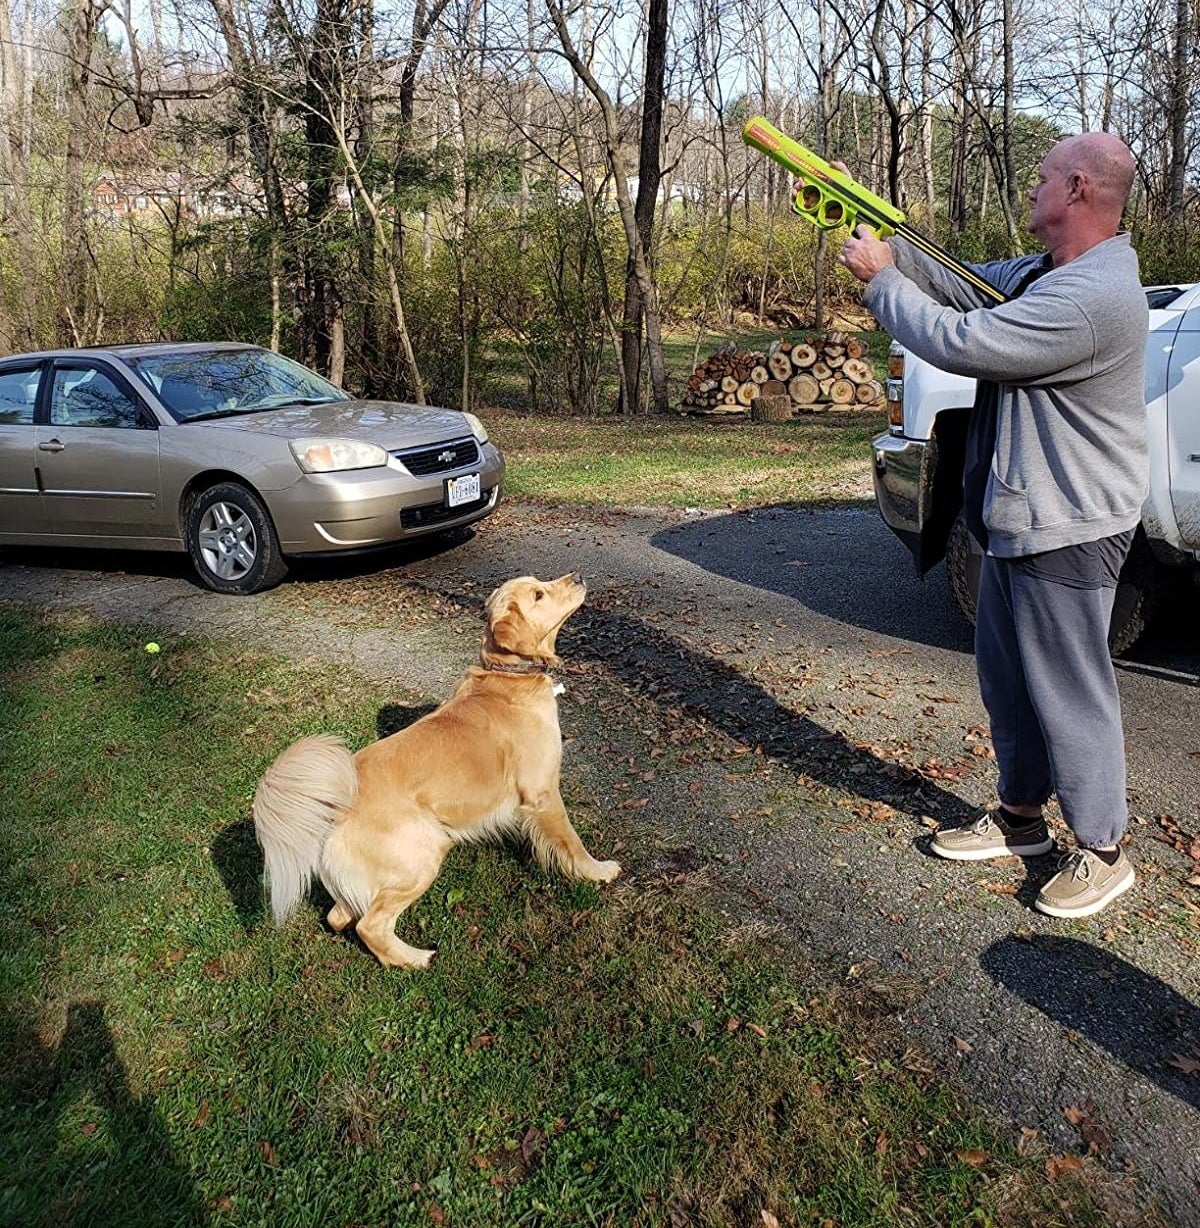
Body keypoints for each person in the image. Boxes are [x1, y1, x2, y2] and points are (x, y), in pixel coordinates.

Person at [836, 133, 1147, 918]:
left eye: (1043, 176)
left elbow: (965, 340)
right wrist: (871, 216)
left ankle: (1104, 851)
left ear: (1076, 188)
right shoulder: (1048, 274)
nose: (1031, 185)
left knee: (1071, 691)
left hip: (1071, 522)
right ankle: (1019, 821)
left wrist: (880, 284)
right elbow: (964, 287)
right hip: (1022, 513)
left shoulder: (1092, 296)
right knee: (1009, 681)